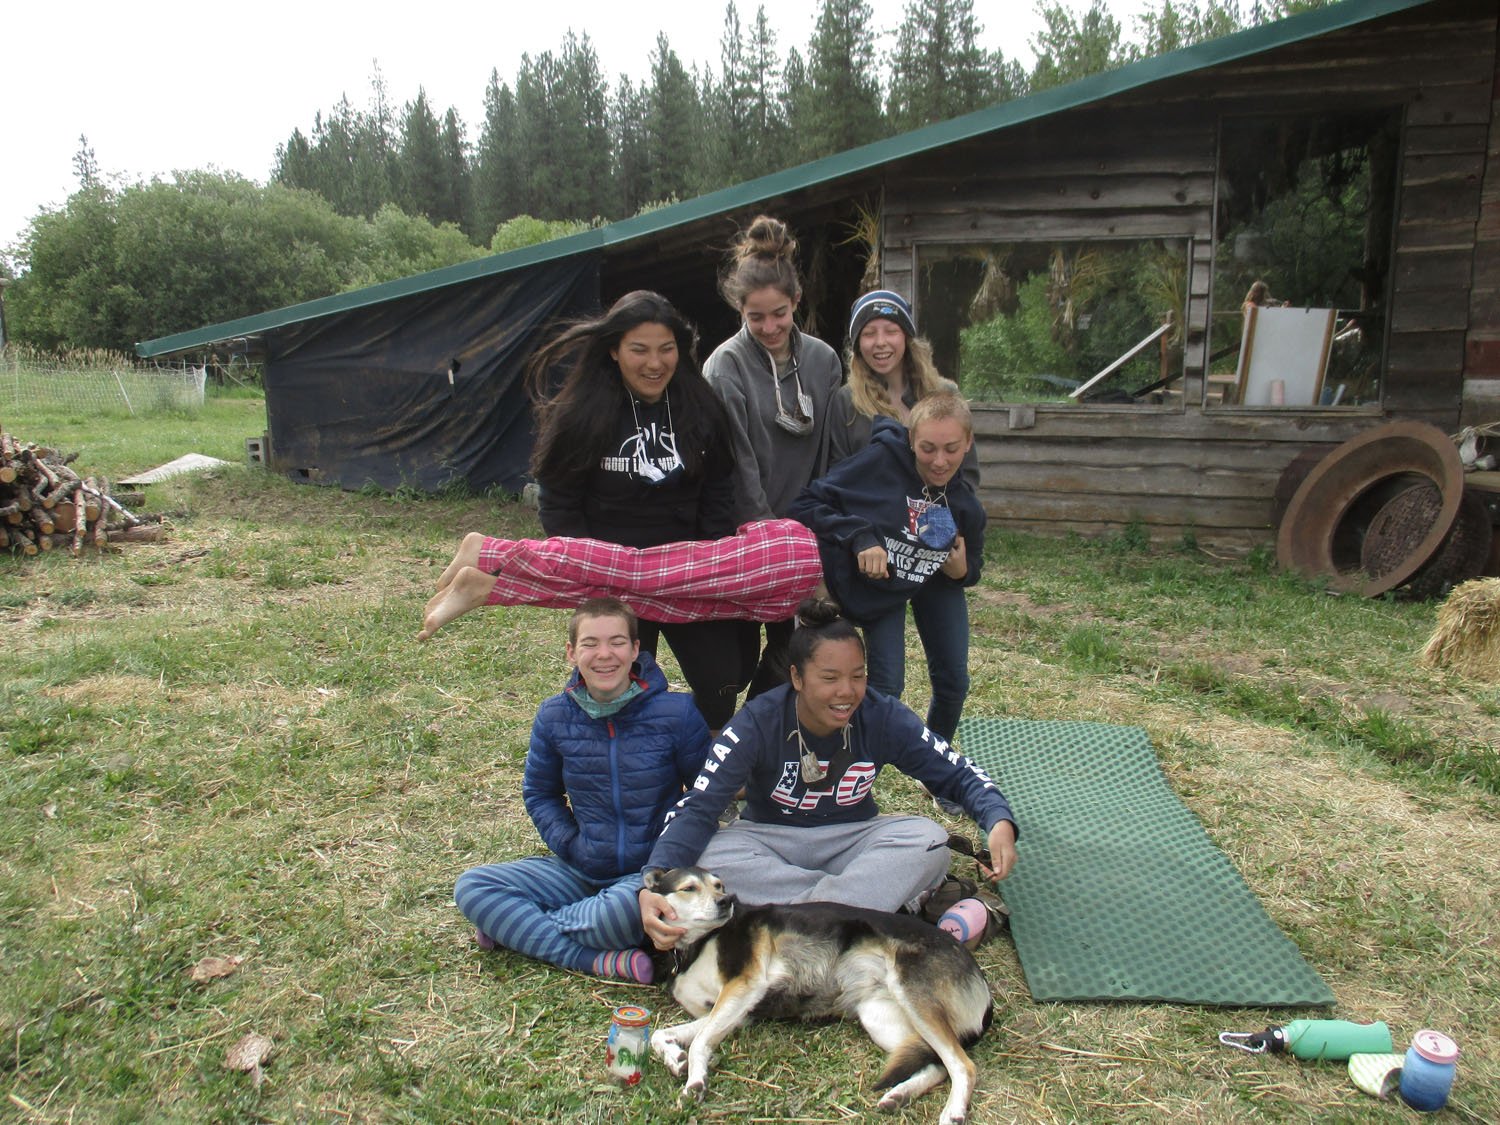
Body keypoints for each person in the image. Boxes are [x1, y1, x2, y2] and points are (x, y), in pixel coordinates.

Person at [637, 598, 1017, 951]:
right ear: (797, 678)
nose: (847, 692)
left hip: (853, 839)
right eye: (830, 677)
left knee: (928, 840)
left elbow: (955, 772)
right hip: (770, 839)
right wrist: (656, 876)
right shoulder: (757, 722)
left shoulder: (882, 715)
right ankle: (867, 915)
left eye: (858, 676)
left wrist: (997, 818)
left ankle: (797, 923)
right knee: (710, 854)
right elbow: (700, 806)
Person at [527, 289, 754, 729]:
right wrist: (588, 576)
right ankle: (629, 760)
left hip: (688, 571)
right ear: (613, 350)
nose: (655, 363)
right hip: (612, 579)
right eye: (640, 350)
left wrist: (709, 557)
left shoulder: (700, 406)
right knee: (615, 681)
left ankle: (705, 755)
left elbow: (719, 485)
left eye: (666, 349)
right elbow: (558, 500)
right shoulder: (581, 412)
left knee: (725, 675)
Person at [453, 597, 710, 983]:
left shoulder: (677, 713)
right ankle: (597, 960)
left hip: (644, 879)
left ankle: (517, 928)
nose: (604, 655)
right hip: (579, 868)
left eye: (617, 642)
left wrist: (663, 863)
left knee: (623, 915)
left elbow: (701, 797)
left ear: (636, 649)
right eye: (590, 643)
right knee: (473, 887)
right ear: (572, 652)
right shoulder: (554, 716)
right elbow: (540, 793)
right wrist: (572, 845)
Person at [789, 392, 985, 747]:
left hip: (932, 578)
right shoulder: (881, 462)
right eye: (928, 448)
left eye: (952, 449)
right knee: (887, 683)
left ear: (969, 443)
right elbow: (806, 503)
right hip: (883, 585)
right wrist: (859, 536)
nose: (939, 461)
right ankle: (853, 768)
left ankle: (937, 766)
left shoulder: (966, 505)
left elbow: (974, 568)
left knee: (954, 680)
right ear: (911, 440)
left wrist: (961, 571)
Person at [703, 216, 843, 698]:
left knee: (792, 656)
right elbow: (736, 464)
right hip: (747, 540)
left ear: (796, 302)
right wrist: (767, 537)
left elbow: (826, 452)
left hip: (804, 539)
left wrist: (816, 530)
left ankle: (753, 741)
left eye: (779, 314)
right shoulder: (725, 367)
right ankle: (717, 748)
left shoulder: (824, 361)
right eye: (755, 317)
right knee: (731, 667)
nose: (769, 327)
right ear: (739, 309)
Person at [828, 288, 978, 487]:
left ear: (906, 338)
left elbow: (968, 476)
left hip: (938, 514)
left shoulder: (945, 393)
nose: (880, 342)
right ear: (857, 344)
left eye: (891, 331)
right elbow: (838, 477)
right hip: (870, 516)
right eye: (869, 334)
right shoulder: (846, 402)